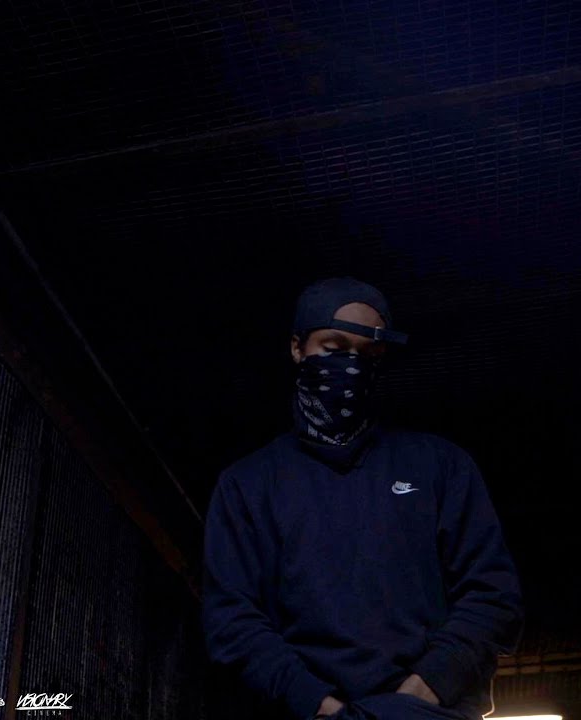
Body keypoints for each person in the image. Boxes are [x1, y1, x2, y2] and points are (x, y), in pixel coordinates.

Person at [201, 277, 524, 720]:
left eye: (367, 355)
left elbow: (492, 596)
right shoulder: (248, 485)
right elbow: (232, 620)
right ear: (297, 348)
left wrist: (414, 699)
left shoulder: (441, 466)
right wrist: (319, 705)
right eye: (333, 348)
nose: (350, 367)